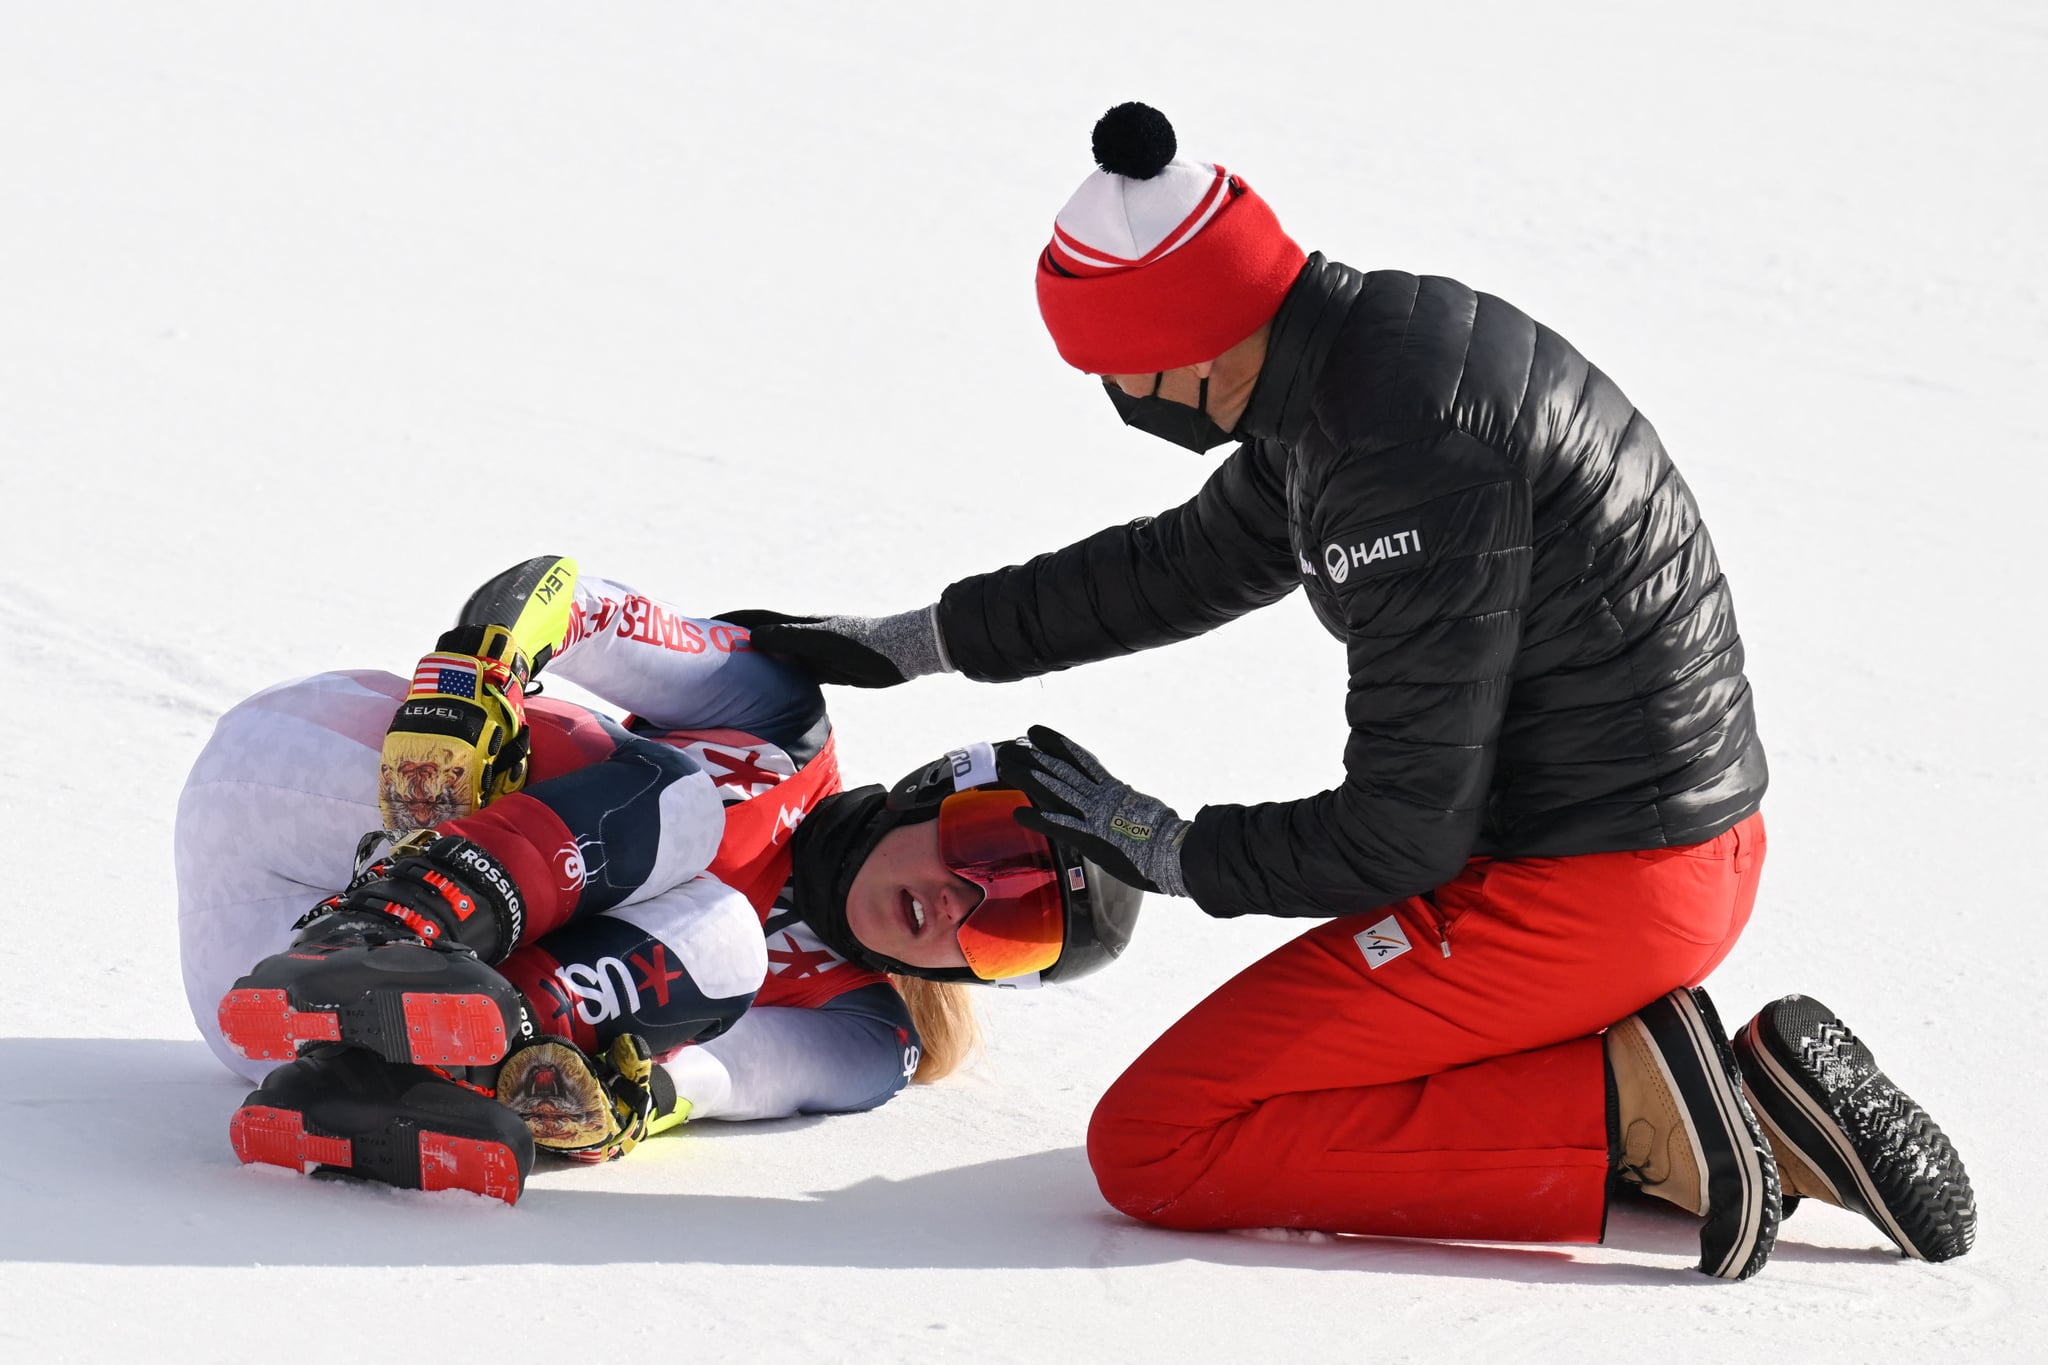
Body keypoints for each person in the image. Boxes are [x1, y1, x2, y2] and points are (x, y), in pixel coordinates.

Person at [724, 104, 1976, 1276]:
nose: (1116, 405)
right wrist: (911, 642)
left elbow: (1398, 831)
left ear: (1182, 345)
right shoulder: (1358, 360)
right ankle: (1656, 1086)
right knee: (1257, 1096)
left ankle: (1667, 1117)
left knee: (1159, 1144)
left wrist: (1166, 851)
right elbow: (1185, 562)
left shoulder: (1400, 454)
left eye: (1113, 376)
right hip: (1619, 855)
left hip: (1597, 892)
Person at [179, 558, 1143, 1204]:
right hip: (321, 775)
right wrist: (484, 669)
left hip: (254, 995)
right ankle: (388, 932)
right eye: (988, 852)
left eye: (1009, 931)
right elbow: (572, 595)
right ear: (939, 790)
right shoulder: (781, 726)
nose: (961, 903)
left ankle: (367, 1078)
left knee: (718, 955)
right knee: (689, 812)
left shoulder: (863, 1027)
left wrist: (622, 1101)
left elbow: (726, 1076)